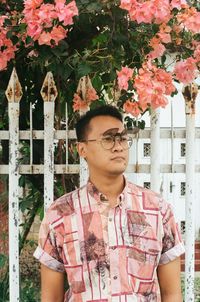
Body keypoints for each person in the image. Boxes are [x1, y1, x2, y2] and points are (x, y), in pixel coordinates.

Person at [34, 105, 185, 302]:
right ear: (82, 149)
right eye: (108, 139)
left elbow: (172, 293)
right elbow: (50, 297)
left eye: (122, 138)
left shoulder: (157, 210)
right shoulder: (60, 214)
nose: (118, 146)